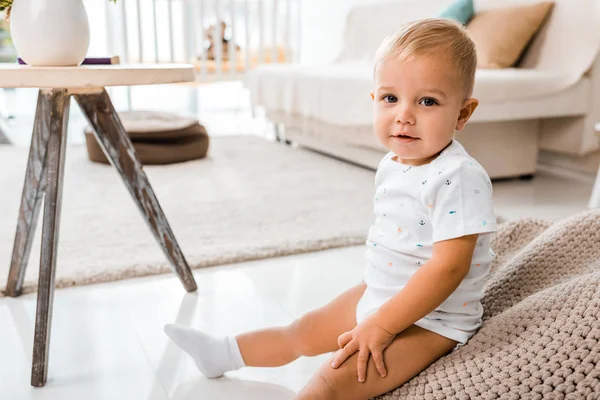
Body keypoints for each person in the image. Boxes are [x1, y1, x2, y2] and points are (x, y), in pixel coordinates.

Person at [164, 17, 498, 400]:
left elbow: (449, 267)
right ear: (374, 100)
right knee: (303, 331)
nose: (404, 115)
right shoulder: (393, 163)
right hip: (381, 293)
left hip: (433, 321)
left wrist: (383, 325)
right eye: (391, 98)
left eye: (427, 101)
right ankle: (221, 352)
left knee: (331, 382)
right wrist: (376, 312)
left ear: (462, 114)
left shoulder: (459, 177)